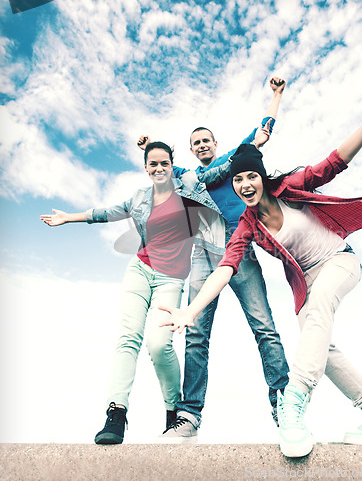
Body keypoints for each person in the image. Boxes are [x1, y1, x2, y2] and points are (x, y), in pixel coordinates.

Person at [160, 89, 362, 456]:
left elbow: (333, 163)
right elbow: (226, 268)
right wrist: (190, 311)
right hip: (307, 282)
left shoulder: (291, 187)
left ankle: (292, 402)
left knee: (317, 312)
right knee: (319, 344)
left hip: (339, 261)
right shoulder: (246, 223)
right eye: (238, 180)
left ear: (261, 177)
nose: (244, 185)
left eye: (250, 177)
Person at [40, 141, 233, 445]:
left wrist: (256, 140)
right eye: (152, 164)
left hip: (171, 278)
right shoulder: (140, 197)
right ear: (146, 168)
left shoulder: (191, 185)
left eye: (164, 164)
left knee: (158, 344)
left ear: (172, 165)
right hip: (140, 270)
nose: (158, 169)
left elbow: (221, 168)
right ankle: (116, 414)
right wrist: (69, 217)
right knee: (128, 338)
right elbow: (106, 213)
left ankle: (174, 412)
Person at [138, 77, 290, 443]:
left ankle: (284, 405)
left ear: (215, 143)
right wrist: (145, 148)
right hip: (202, 251)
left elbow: (263, 131)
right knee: (195, 333)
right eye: (196, 143)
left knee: (263, 326)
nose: (202, 145)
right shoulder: (187, 176)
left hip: (239, 246)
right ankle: (188, 417)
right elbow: (159, 169)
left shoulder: (232, 159)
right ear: (191, 150)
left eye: (206, 140)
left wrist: (276, 96)